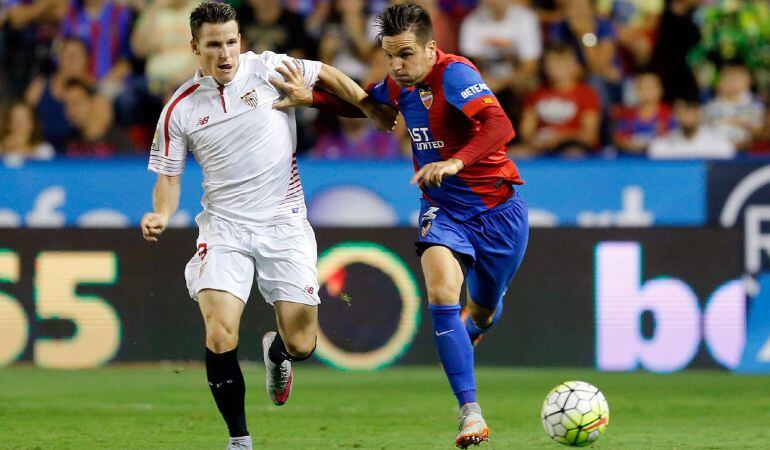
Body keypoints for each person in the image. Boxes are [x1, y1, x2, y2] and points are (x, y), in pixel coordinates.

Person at [274, 4, 528, 448]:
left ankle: (474, 327)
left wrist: (455, 161)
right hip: (443, 210)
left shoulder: (454, 74)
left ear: (431, 49)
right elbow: (371, 107)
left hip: (498, 212)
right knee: (442, 292)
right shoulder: (400, 82)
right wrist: (311, 98)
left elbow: (499, 124)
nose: (396, 65)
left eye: (405, 54)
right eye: (390, 55)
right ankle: (470, 414)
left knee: (483, 311)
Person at [139, 3, 390, 449]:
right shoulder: (179, 108)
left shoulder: (268, 68)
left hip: (283, 223)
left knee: (303, 343)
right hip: (224, 229)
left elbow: (326, 73)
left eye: (231, 42)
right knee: (220, 331)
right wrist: (161, 213)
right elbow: (169, 178)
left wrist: (369, 105)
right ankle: (239, 439)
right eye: (213, 45)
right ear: (195, 47)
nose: (224, 54)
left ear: (241, 41)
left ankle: (279, 352)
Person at [516, 44, 601, 156]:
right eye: (552, 65)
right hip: (540, 146)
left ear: (575, 66)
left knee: (573, 154)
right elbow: (526, 131)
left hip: (574, 146)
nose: (557, 70)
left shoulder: (586, 94)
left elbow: (589, 135)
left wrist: (557, 138)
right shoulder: (535, 94)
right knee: (514, 155)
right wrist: (538, 141)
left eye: (562, 65)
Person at [648, 97, 735, 159]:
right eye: (681, 111)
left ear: (700, 112)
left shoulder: (720, 145)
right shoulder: (661, 146)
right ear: (675, 114)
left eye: (691, 109)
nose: (687, 115)